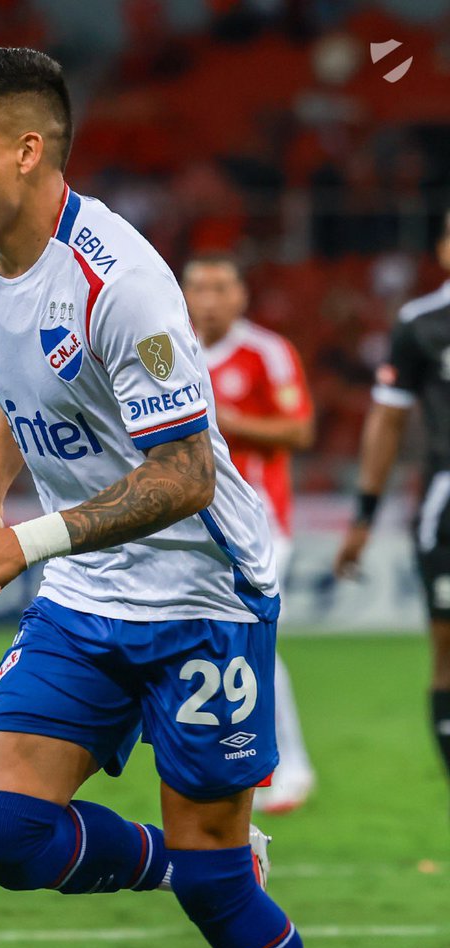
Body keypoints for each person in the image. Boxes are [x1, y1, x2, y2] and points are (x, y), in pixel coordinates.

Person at [0, 47, 366, 948]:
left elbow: (181, 476)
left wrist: (21, 540)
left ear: (28, 149)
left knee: (219, 872)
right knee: (1, 836)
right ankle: (201, 864)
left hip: (202, 599)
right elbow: (22, 389)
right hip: (86, 590)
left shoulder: (125, 281)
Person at [183, 254, 316, 813]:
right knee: (204, 640)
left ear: (241, 296)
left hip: (259, 522)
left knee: (252, 637)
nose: (209, 299)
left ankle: (288, 767)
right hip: (189, 521)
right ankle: (224, 761)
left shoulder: (266, 351)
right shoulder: (168, 348)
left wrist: (231, 422)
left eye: (221, 287)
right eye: (199, 288)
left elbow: (301, 428)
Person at [337, 214, 450, 794]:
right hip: (445, 506)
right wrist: (363, 516)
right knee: (447, 651)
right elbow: (386, 422)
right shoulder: (421, 323)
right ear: (443, 248)